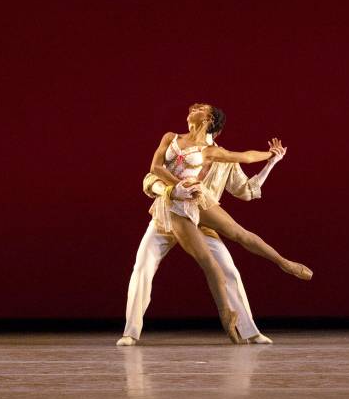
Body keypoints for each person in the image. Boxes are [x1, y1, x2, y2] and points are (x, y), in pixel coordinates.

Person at [142, 103, 311, 343]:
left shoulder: (210, 152)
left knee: (240, 233)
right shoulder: (171, 138)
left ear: (209, 119)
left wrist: (272, 156)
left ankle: (285, 263)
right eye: (194, 106)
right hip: (174, 207)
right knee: (209, 263)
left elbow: (246, 156)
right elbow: (155, 168)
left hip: (198, 199)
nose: (193, 107)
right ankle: (226, 314)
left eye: (200, 107)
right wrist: (175, 186)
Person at [118, 139, 286, 346]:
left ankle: (250, 331)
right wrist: (171, 190)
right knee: (142, 267)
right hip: (166, 217)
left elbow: (247, 191)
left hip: (202, 222)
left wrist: (271, 163)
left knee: (229, 270)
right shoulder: (179, 149)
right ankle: (130, 332)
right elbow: (151, 177)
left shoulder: (224, 158)